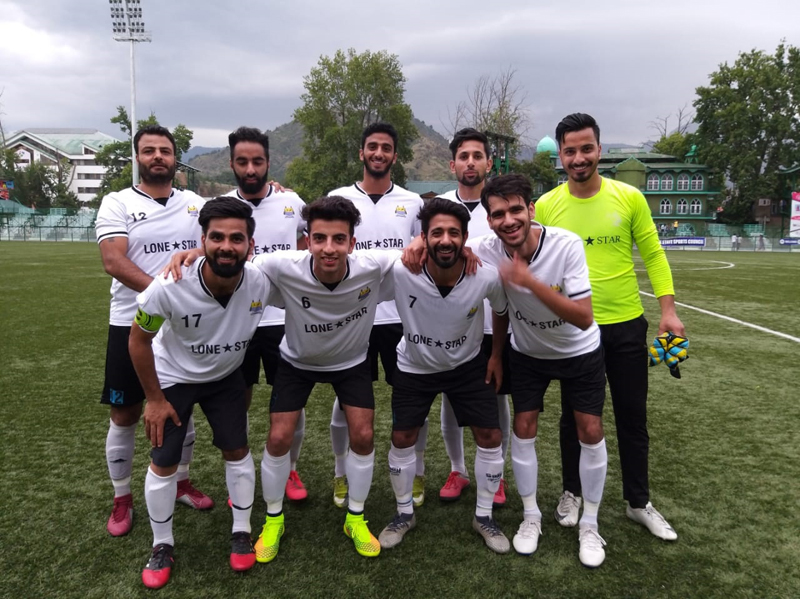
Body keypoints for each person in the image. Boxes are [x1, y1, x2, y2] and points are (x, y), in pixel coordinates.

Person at [536, 113, 684, 542]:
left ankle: (639, 502)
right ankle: (571, 492)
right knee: (574, 419)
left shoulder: (629, 197)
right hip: (573, 332)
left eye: (586, 149)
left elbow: (653, 255)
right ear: (560, 155)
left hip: (624, 328)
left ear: (599, 150)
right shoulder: (547, 206)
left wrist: (668, 312)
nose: (578, 158)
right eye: (570, 151)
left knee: (632, 418)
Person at [463, 174, 609, 567]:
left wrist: (528, 282)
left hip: (579, 351)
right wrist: (418, 243)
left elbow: (583, 318)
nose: (507, 220)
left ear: (530, 210)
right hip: (527, 354)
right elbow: (447, 244)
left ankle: (590, 524)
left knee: (589, 430)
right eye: (497, 214)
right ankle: (531, 516)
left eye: (515, 210)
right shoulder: (489, 248)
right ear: (488, 219)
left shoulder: (566, 245)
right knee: (523, 428)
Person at [129, 197, 273, 588]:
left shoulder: (261, 280)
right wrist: (155, 400)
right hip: (174, 377)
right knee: (164, 459)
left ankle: (241, 532)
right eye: (217, 237)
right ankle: (162, 544)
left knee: (237, 448)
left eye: (236, 238)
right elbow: (138, 341)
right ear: (203, 240)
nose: (227, 246)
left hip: (225, 377)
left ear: (251, 245)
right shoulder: (170, 284)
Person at [251, 196, 399, 562]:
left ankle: (356, 516)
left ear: (352, 242)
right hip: (297, 361)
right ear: (307, 241)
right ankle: (273, 519)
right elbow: (235, 264)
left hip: (350, 362)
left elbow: (419, 252)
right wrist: (191, 256)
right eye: (319, 239)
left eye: (338, 239)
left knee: (363, 435)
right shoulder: (281, 266)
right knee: (279, 436)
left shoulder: (374, 265)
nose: (328, 248)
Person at [96, 125, 212, 538]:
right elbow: (114, 260)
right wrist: (163, 295)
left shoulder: (196, 203)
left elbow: (220, 239)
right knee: (126, 412)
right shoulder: (118, 202)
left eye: (165, 150)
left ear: (174, 157)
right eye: (149, 150)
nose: (158, 156)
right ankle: (121, 497)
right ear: (138, 157)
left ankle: (180, 481)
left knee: (183, 406)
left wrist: (198, 252)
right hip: (131, 320)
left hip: (182, 327)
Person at [379, 198, 510, 554]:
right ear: (424, 237)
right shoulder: (401, 270)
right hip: (414, 366)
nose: (445, 240)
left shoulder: (483, 274)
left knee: (490, 434)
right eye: (436, 233)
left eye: (454, 233)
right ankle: (404, 513)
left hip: (466, 366)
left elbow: (501, 310)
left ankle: (484, 516)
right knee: (403, 435)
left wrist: (496, 355)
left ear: (465, 238)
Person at [326, 122, 427, 508]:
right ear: (362, 153)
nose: (379, 153)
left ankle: (416, 472)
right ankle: (340, 473)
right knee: (345, 401)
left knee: (413, 400)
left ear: (395, 156)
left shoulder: (412, 203)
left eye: (386, 147)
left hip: (403, 317)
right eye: (372, 147)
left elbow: (428, 244)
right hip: (353, 316)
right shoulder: (338, 197)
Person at [224, 126, 309, 502]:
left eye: (257, 161)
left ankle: (290, 469)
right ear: (232, 164)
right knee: (236, 398)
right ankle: (240, 472)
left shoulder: (293, 204)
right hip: (237, 323)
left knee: (290, 401)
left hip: (282, 322)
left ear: (268, 163)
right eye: (242, 161)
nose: (251, 168)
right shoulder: (223, 207)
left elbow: (308, 250)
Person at [438, 128, 511, 507]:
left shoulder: (500, 206)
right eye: (463, 156)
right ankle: (458, 468)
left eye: (477, 156)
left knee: (496, 399)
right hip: (451, 323)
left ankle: (496, 475)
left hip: (493, 322)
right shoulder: (435, 206)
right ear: (453, 164)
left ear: (488, 162)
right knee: (451, 398)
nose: (470, 162)